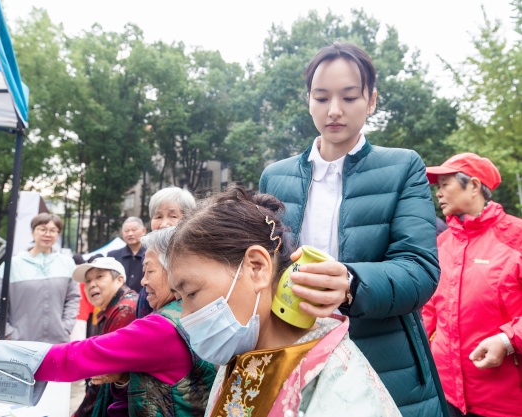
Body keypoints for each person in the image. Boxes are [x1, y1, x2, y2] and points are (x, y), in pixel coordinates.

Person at [258, 42, 446, 416]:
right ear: (308, 100)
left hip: (385, 360)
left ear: (371, 100)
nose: (334, 110)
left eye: (348, 97)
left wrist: (350, 284)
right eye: (321, 97)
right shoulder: (275, 176)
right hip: (294, 352)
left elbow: (420, 269)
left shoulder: (403, 167)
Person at [166, 185, 400, 416]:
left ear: (257, 268)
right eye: (179, 299)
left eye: (192, 293)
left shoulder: (344, 388)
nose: (185, 316)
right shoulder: (237, 360)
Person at [33, 227, 216, 417]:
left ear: (175, 271)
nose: (143, 281)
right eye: (87, 281)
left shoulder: (157, 326)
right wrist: (124, 377)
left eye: (149, 271)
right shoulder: (183, 312)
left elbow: (82, 355)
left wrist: (20, 361)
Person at [422, 153, 522, 417]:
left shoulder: (516, 238)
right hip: (447, 396)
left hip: (506, 401)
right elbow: (429, 314)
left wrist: (508, 340)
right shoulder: (441, 245)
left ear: (474, 186)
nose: (438, 193)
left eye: (445, 184)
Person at [0, 213, 80, 343]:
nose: (47, 234)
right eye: (42, 229)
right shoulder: (12, 264)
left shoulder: (67, 263)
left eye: (53, 230)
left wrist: (66, 327)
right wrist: (8, 334)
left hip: (57, 343)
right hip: (20, 344)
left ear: (58, 234)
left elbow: (73, 298)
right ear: (33, 232)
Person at [71, 257, 138, 417]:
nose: (92, 284)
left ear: (119, 280)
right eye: (88, 281)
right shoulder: (111, 308)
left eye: (99, 277)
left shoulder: (124, 310)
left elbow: (103, 375)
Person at [135, 186, 197, 319]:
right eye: (158, 216)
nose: (164, 224)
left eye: (173, 216)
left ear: (190, 219)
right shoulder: (148, 255)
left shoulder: (195, 262)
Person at [107, 217, 146, 293]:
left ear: (143, 231)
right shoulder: (113, 256)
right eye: (126, 231)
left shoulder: (151, 254)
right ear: (122, 233)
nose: (130, 234)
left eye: (134, 230)